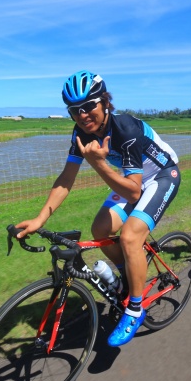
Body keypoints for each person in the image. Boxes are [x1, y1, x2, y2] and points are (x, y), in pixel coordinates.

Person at [15, 70, 181, 347]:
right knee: (100, 228)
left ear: (105, 101)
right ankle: (128, 280)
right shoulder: (80, 134)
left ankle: (135, 309)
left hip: (162, 176)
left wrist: (99, 164)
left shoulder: (125, 129)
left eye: (88, 105)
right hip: (131, 179)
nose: (82, 115)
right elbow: (66, 178)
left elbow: (134, 192)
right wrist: (39, 218)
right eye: (74, 110)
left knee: (130, 237)